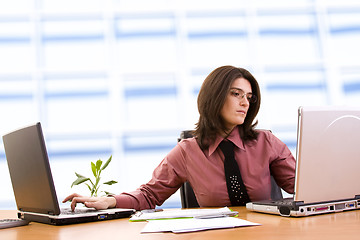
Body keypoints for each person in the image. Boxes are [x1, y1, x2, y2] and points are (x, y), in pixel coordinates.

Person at [63, 65, 296, 211]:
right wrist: (110, 201)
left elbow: (302, 186)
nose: (245, 102)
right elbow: (150, 194)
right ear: (214, 97)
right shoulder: (188, 151)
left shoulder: (266, 142)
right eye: (236, 94)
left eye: (249, 97)